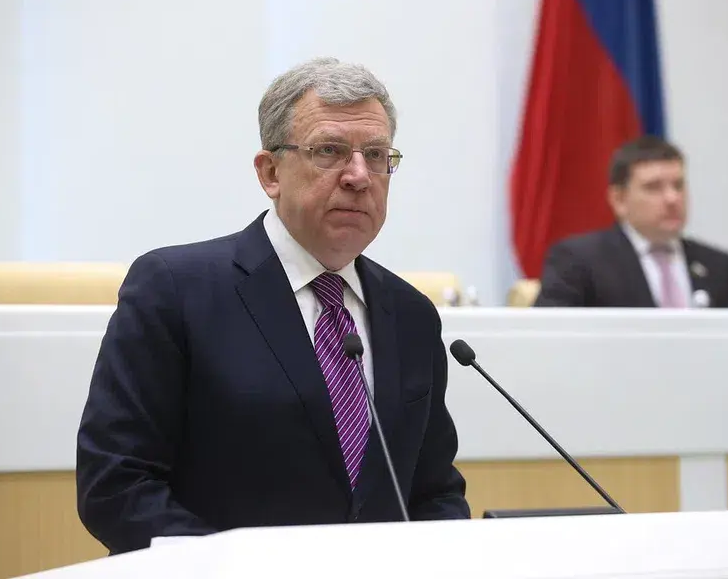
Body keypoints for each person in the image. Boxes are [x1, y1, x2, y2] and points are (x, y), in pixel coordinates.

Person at [75, 57, 471, 555]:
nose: (358, 176)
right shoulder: (174, 290)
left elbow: (434, 493)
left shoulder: (411, 314)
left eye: (375, 155)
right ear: (270, 173)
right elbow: (117, 484)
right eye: (329, 151)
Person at [534, 136, 728, 308]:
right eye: (654, 187)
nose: (672, 198)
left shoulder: (718, 264)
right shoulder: (580, 261)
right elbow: (552, 337)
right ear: (619, 199)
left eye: (678, 185)